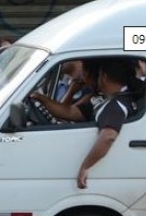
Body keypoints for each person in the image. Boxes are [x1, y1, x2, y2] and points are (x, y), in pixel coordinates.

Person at [30, 60, 135, 189]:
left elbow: (108, 136)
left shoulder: (116, 105)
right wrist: (41, 98)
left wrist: (85, 166)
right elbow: (70, 112)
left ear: (104, 77)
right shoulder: (103, 99)